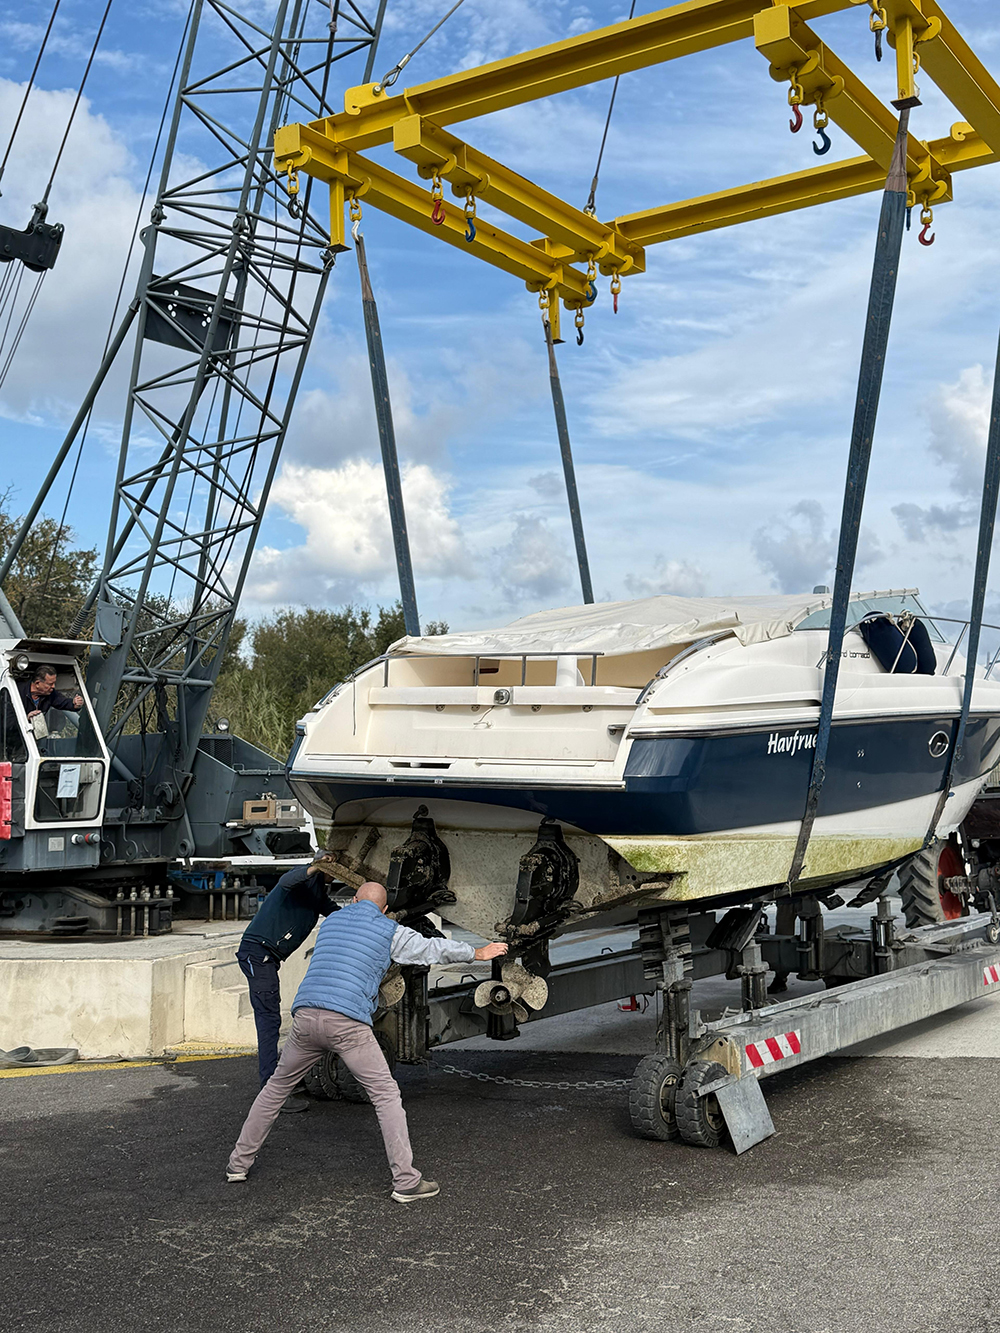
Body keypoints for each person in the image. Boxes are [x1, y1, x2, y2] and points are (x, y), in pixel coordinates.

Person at [226, 880, 508, 1203]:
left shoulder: (331, 922)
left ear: (354, 900)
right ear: (385, 910)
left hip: (305, 1016)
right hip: (347, 1022)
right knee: (386, 1096)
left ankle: (238, 1164)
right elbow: (432, 949)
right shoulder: (389, 930)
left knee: (275, 1089)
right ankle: (406, 1181)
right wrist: (477, 952)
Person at [236, 862, 341, 1111]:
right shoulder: (301, 880)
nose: (337, 879)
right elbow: (286, 880)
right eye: (334, 872)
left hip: (267, 958)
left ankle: (279, 1083)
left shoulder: (317, 895)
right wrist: (316, 866)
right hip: (258, 954)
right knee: (269, 1022)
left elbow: (337, 913)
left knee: (273, 1021)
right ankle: (272, 1094)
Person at [17, 665, 83, 721]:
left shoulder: (49, 694)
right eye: (50, 684)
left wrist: (75, 704)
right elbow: (7, 721)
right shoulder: (17, 692)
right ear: (37, 683)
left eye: (54, 683)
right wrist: (26, 719)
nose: (53, 687)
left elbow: (63, 702)